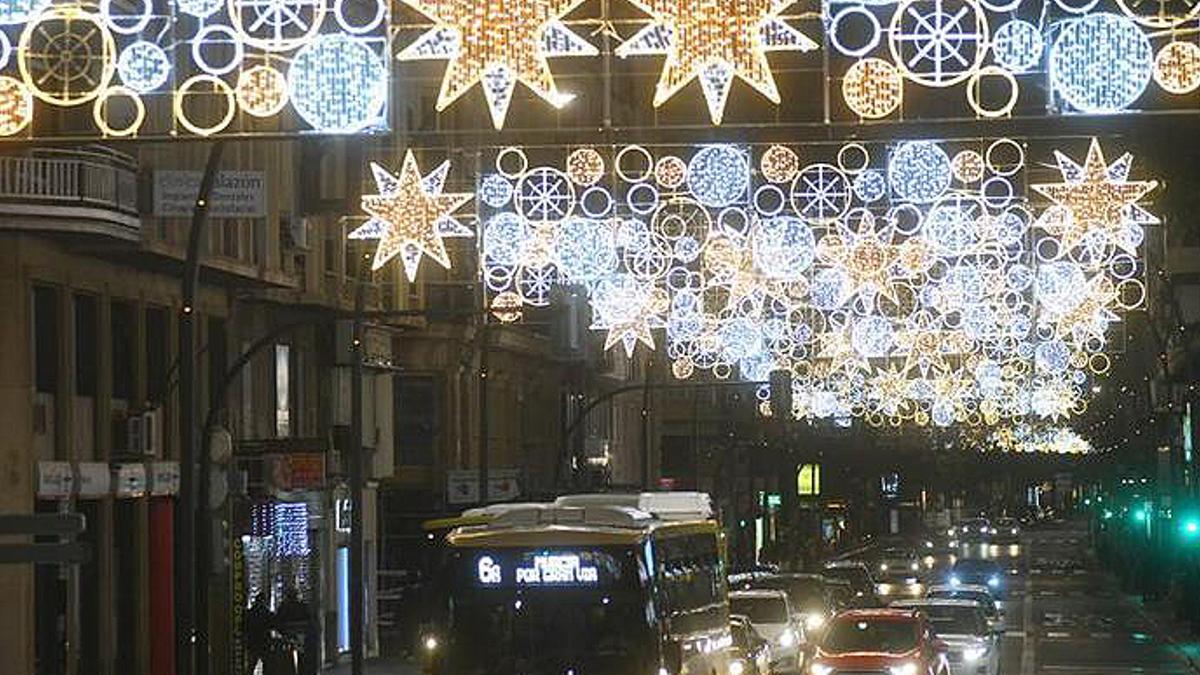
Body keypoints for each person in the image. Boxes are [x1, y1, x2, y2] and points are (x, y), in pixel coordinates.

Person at [245, 593, 274, 675]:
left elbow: (246, 626)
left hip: (253, 641)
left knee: (251, 665)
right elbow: (273, 624)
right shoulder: (267, 613)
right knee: (266, 664)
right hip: (264, 641)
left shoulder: (250, 613)